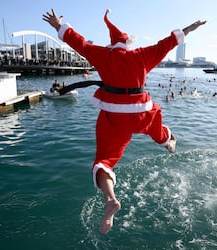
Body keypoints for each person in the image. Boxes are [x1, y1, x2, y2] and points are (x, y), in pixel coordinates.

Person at [43, 9, 206, 234]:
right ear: (128, 44)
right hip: (141, 113)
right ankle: (168, 142)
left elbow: (79, 43)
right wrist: (189, 29)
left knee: (104, 161)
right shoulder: (142, 55)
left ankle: (110, 198)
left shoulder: (103, 55)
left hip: (113, 116)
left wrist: (58, 25)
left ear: (112, 45)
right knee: (158, 129)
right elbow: (167, 43)